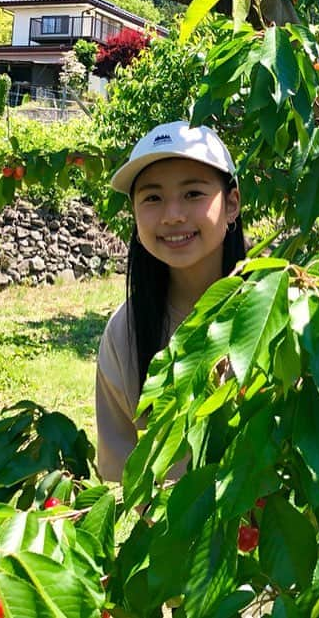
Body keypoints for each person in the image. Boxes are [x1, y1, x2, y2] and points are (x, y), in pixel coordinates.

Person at [95, 120, 246, 482]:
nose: (172, 215)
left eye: (193, 194)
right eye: (152, 198)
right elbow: (119, 474)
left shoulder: (284, 307)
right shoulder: (125, 332)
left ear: (231, 203)